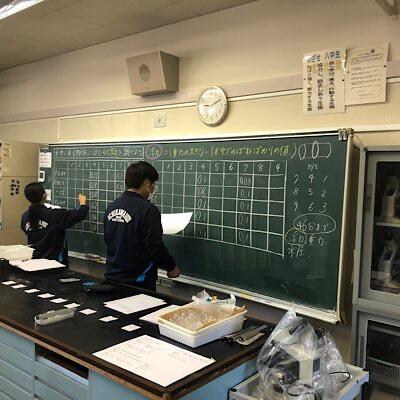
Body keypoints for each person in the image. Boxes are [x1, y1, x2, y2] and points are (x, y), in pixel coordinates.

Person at [104, 161, 180, 291]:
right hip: (138, 282)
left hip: (112, 278)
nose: (153, 188)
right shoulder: (147, 209)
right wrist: (171, 267)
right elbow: (154, 247)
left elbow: (108, 240)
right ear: (146, 182)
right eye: (152, 184)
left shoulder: (112, 206)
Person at [21, 182, 89, 266]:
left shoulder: (25, 216)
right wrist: (83, 203)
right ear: (44, 195)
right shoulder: (54, 215)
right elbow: (79, 215)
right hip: (54, 263)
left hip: (34, 261)